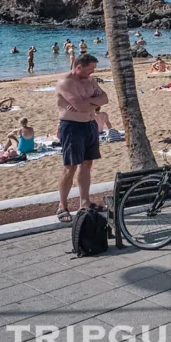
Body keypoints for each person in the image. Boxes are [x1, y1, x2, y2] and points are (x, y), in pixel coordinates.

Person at [54, 54, 107, 222]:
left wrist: (87, 102)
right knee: (70, 167)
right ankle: (62, 205)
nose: (92, 72)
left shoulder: (90, 81)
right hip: (72, 127)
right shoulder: (66, 83)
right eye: (90, 69)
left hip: (90, 125)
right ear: (78, 67)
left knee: (87, 163)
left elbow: (105, 98)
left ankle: (85, 202)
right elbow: (81, 106)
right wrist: (92, 102)